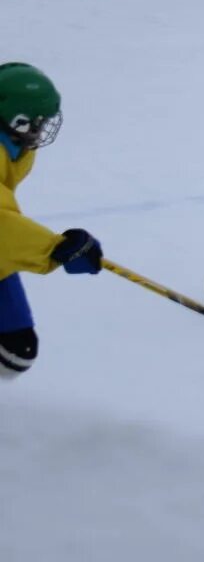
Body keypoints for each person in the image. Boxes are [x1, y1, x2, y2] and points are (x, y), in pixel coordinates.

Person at [0, 63, 104, 380]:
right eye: (37, 123)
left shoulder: (13, 147)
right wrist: (54, 249)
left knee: (17, 350)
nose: (41, 130)